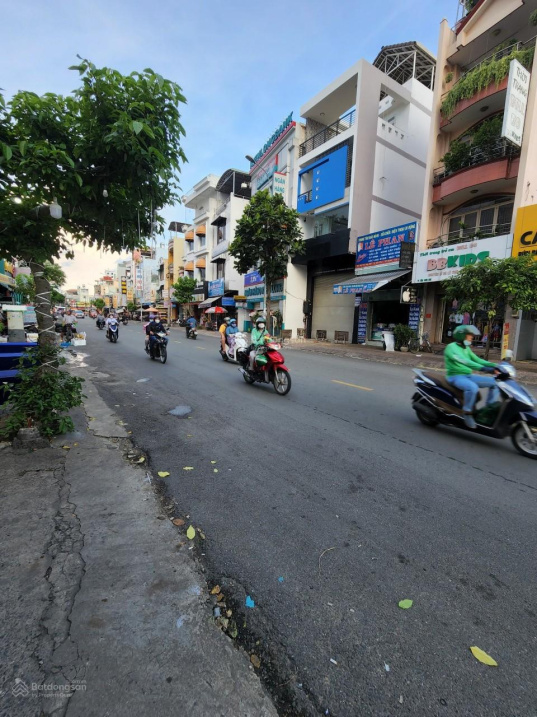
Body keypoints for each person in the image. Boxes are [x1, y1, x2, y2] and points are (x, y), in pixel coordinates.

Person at [444, 325, 499, 429]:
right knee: (472, 387)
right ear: (462, 335)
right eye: (470, 335)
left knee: (495, 383)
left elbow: (477, 360)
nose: (472, 337)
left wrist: (495, 365)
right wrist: (485, 369)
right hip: (455, 377)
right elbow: (465, 362)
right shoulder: (451, 347)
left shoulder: (466, 348)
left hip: (468, 376)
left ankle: (489, 410)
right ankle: (467, 412)